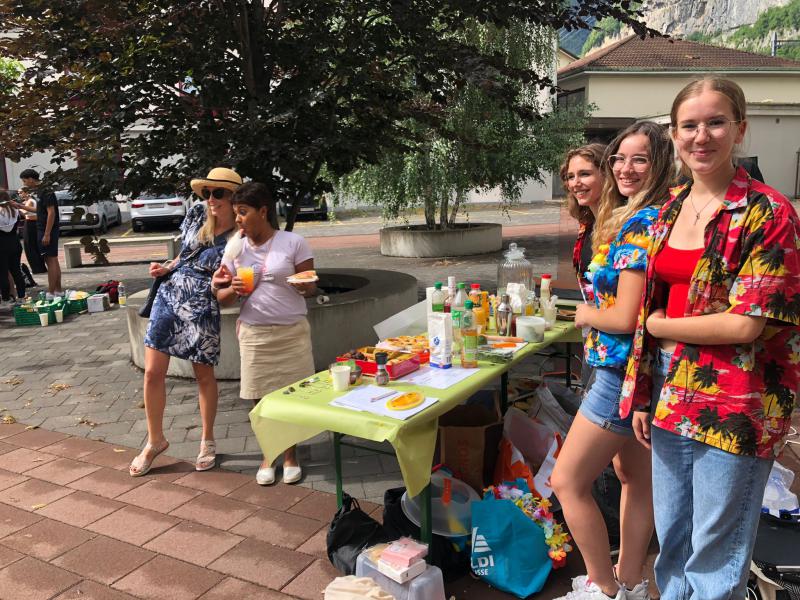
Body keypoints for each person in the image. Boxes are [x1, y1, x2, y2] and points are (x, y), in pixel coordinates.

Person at [622, 78, 800, 600]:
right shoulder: (670, 208)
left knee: (715, 555)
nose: (701, 136)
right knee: (673, 539)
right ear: (675, 135)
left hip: (737, 399)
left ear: (740, 129)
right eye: (689, 126)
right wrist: (643, 393)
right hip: (669, 390)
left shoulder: (769, 212)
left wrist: (659, 327)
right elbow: (655, 296)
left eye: (716, 123)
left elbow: (746, 324)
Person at [551, 122, 675, 600]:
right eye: (620, 158)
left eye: (639, 159)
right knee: (634, 477)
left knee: (567, 481)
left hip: (619, 372)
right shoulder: (645, 214)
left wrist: (585, 314)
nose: (625, 168)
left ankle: (602, 587)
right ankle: (631, 582)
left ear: (659, 163)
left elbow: (625, 317)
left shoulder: (640, 223)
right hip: (639, 374)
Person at [129, 167, 240, 477]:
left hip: (203, 303)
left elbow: (232, 281)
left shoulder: (239, 236)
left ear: (234, 197)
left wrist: (223, 285)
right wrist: (167, 267)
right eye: (207, 192)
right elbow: (184, 254)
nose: (211, 199)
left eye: (218, 193)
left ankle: (207, 440)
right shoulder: (197, 213)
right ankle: (155, 441)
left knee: (203, 376)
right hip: (170, 295)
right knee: (152, 372)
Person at [212, 182, 316, 486]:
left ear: (263, 211)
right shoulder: (235, 248)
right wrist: (234, 288)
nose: (238, 219)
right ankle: (269, 455)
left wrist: (304, 286)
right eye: (236, 213)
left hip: (291, 333)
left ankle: (291, 455)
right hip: (254, 334)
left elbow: (311, 286)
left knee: (292, 397)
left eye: (243, 212)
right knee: (260, 400)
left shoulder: (293, 242)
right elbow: (221, 298)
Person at [562, 143, 607, 302]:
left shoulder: (626, 225)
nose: (575, 183)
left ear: (607, 175)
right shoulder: (587, 225)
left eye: (584, 174)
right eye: (570, 177)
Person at [17, 169, 61, 295]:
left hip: (47, 229)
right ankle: (58, 290)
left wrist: (47, 233)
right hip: (43, 228)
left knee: (50, 260)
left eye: (25, 181)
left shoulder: (45, 191)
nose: (24, 184)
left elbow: (51, 213)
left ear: (31, 179)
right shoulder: (39, 192)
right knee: (53, 260)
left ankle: (51, 292)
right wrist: (20, 206)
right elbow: (40, 210)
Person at [0, 190, 26, 303]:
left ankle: (6, 297)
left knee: (3, 273)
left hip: (1, 245)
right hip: (15, 243)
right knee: (16, 271)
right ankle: (21, 296)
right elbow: (24, 217)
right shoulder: (15, 210)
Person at [18, 187, 47, 274]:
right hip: (30, 223)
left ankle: (37, 268)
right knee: (33, 245)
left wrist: (18, 207)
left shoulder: (30, 201)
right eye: (18, 193)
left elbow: (25, 212)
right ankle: (39, 267)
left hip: (31, 223)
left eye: (21, 192)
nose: (19, 194)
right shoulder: (28, 201)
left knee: (30, 246)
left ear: (26, 192)